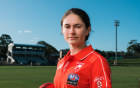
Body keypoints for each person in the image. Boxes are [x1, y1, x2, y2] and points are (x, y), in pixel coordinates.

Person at [39, 8, 112, 88]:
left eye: (77, 26)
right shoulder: (62, 62)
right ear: (62, 30)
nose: (72, 32)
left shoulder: (96, 61)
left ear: (88, 30)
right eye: (67, 27)